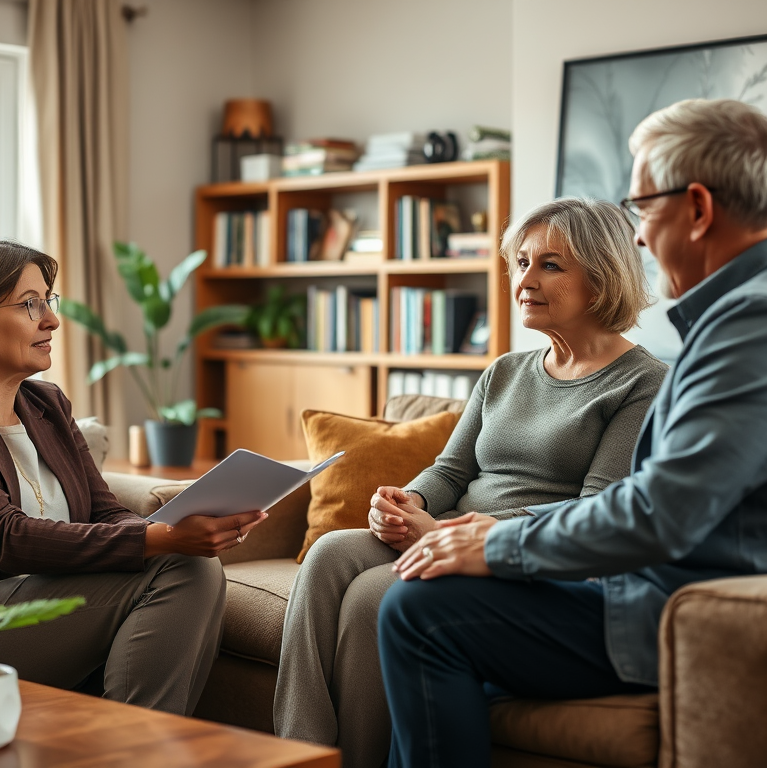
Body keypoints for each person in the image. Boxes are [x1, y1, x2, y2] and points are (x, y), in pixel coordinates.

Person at [377, 98, 767, 768]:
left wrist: (499, 541)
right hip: (667, 584)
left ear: (696, 208)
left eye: (642, 208)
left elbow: (659, 514)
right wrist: (492, 534)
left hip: (683, 606)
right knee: (420, 595)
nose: (636, 236)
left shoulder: (762, 325)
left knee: (417, 611)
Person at [274, 198, 669, 768]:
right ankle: (298, 754)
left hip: (515, 557)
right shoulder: (504, 371)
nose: (525, 280)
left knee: (370, 595)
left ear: (602, 278)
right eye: (522, 262)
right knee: (329, 555)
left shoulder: (642, 384)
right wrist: (409, 499)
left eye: (550, 266)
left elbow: (596, 509)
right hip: (441, 529)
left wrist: (454, 532)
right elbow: (450, 470)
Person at [0, 237, 267, 715]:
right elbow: (2, 537)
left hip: (36, 605)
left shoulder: (46, 404)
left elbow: (104, 510)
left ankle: (138, 746)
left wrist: (184, 525)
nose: (51, 319)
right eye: (29, 305)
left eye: (48, 301)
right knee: (177, 565)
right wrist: (163, 539)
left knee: (192, 565)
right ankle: (141, 751)